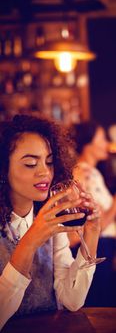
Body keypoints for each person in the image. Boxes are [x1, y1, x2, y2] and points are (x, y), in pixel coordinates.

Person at [0, 114, 101, 329]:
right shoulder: (40, 225)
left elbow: (71, 300)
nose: (45, 172)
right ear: (3, 168)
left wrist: (92, 234)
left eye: (49, 162)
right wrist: (30, 240)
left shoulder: (49, 220)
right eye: (30, 164)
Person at [69, 121, 116, 306]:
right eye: (102, 138)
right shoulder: (81, 174)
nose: (106, 143)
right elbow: (91, 225)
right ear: (89, 144)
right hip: (99, 250)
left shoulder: (93, 173)